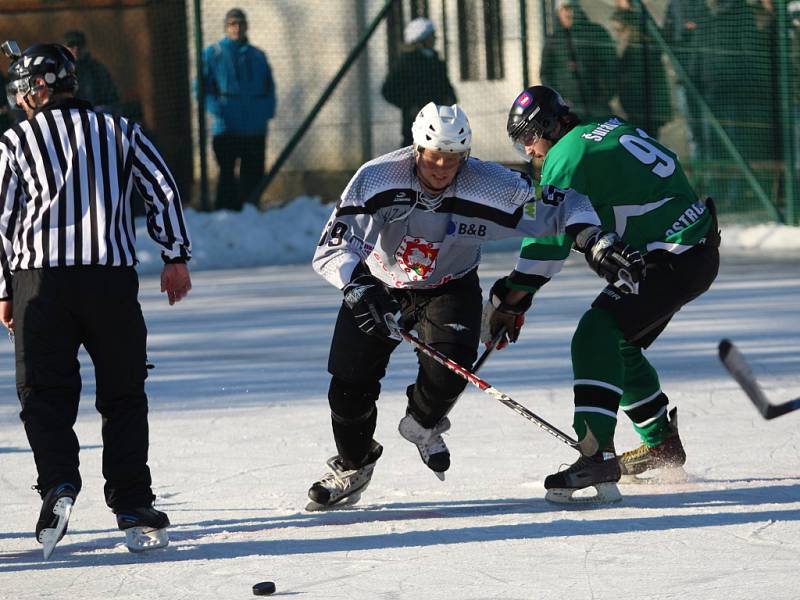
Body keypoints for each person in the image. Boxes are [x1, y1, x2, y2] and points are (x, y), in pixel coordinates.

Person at [307, 102, 613, 510]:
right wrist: (356, 284)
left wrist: (592, 236)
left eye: (452, 159)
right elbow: (333, 246)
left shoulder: (488, 184)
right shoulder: (377, 178)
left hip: (450, 285)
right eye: (432, 157)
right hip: (379, 283)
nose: (440, 168)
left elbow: (563, 202)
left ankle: (423, 424)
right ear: (416, 149)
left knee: (450, 371)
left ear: (465, 157)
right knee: (348, 386)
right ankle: (353, 464)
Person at [0, 41, 192, 557]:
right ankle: (132, 503)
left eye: (23, 89)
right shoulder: (119, 129)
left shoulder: (16, 141)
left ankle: (59, 482)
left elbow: (2, 219)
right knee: (123, 394)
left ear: (40, 87)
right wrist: (174, 255)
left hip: (40, 285)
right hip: (109, 283)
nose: (19, 100)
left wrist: (4, 290)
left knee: (43, 394)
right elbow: (163, 187)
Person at [484, 86, 720, 504]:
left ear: (550, 128)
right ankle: (660, 443)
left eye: (529, 140)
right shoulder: (602, 128)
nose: (529, 152)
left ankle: (597, 455)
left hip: (674, 255)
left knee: (596, 333)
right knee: (619, 343)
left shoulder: (566, 156)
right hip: (693, 246)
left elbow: (547, 241)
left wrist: (509, 299)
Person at [202, 7, 276, 211]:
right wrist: (216, 109)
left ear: (246, 27)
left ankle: (250, 209)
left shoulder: (258, 56)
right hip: (227, 125)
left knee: (253, 171)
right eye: (232, 24)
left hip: (254, 125)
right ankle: (226, 212)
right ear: (226, 27)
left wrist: (265, 112)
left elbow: (269, 87)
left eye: (240, 23)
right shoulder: (213, 53)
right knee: (227, 172)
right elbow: (201, 87)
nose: (237, 28)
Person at [381, 17, 457, 147]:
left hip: (439, 119)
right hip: (415, 121)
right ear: (421, 39)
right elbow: (388, 90)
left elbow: (445, 85)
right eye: (431, 35)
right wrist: (410, 106)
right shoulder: (406, 62)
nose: (435, 38)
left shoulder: (436, 61)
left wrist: (450, 98)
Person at [540, 0, 617, 120]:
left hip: (598, 106)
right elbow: (546, 74)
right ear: (558, 13)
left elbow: (612, 65)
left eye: (571, 8)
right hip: (569, 107)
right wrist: (560, 100)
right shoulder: (554, 40)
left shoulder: (596, 33)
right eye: (564, 9)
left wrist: (605, 95)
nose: (569, 13)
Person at [611, 7, 671, 136]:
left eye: (620, 30)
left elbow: (636, 84)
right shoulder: (630, 50)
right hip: (638, 111)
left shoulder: (639, 51)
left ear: (629, 29)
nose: (617, 35)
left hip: (644, 111)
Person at [63, 30, 120, 113]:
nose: (76, 49)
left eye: (80, 45)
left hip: (94, 117)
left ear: (85, 47)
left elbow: (113, 99)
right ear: (64, 48)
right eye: (71, 45)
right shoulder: (59, 70)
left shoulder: (97, 69)